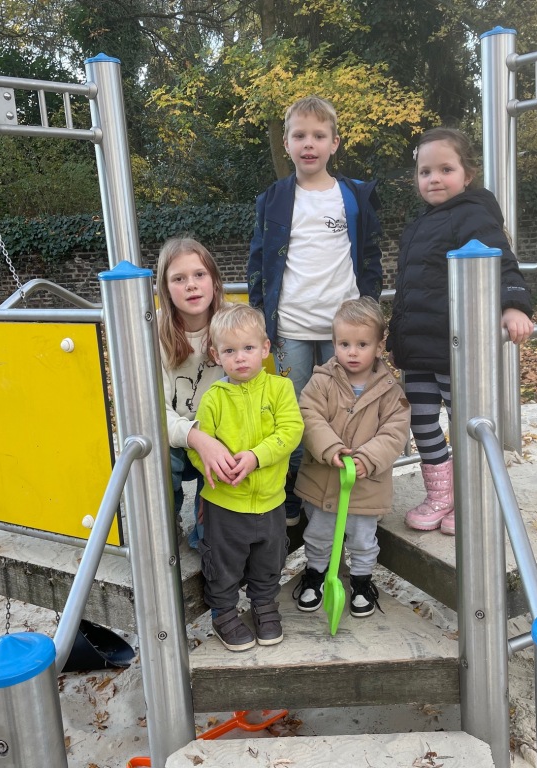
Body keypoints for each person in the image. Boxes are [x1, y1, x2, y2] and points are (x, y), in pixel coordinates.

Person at [387, 127, 534, 536]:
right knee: (421, 420)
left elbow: (501, 260)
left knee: (463, 420)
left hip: (455, 346)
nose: (433, 179)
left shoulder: (473, 213)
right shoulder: (419, 225)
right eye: (424, 172)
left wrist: (513, 304)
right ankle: (441, 494)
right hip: (418, 348)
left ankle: (471, 495)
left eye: (445, 169)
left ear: (467, 174)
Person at [247, 95, 384, 527]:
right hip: (290, 329)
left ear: (334, 143)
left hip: (344, 331)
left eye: (318, 136)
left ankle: (346, 492)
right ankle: (293, 497)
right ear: (286, 144)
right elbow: (258, 261)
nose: (309, 144)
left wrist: (371, 312)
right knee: (295, 414)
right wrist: (257, 316)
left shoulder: (353, 197)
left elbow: (371, 258)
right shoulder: (273, 199)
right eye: (299, 135)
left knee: (346, 410)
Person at [188, 303, 303, 652]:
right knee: (223, 562)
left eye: (249, 348)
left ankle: (264, 604)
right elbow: (198, 447)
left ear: (265, 349)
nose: (240, 358)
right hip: (225, 502)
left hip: (270, 499)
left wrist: (256, 457)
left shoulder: (280, 389)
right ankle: (223, 613)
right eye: (230, 351)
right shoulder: (213, 398)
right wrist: (215, 466)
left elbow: (292, 429)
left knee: (269, 558)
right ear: (216, 355)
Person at [292, 297, 410, 618]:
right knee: (318, 534)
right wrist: (331, 448)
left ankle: (361, 582)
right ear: (333, 343)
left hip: (365, 485)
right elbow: (309, 416)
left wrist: (367, 459)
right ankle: (315, 576)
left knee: (362, 538)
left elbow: (395, 432)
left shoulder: (389, 390)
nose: (352, 352)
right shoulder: (322, 381)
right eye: (344, 344)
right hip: (323, 482)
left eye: (362, 344)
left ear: (379, 344)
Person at [157, 237, 236, 550]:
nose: (191, 285)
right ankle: (165, 521)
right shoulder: (154, 335)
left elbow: (254, 389)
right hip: (179, 444)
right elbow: (155, 413)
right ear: (166, 289)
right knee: (158, 456)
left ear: (214, 281)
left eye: (199, 275)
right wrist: (197, 437)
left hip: (221, 440)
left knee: (210, 542)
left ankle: (206, 524)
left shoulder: (234, 325)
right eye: (179, 278)